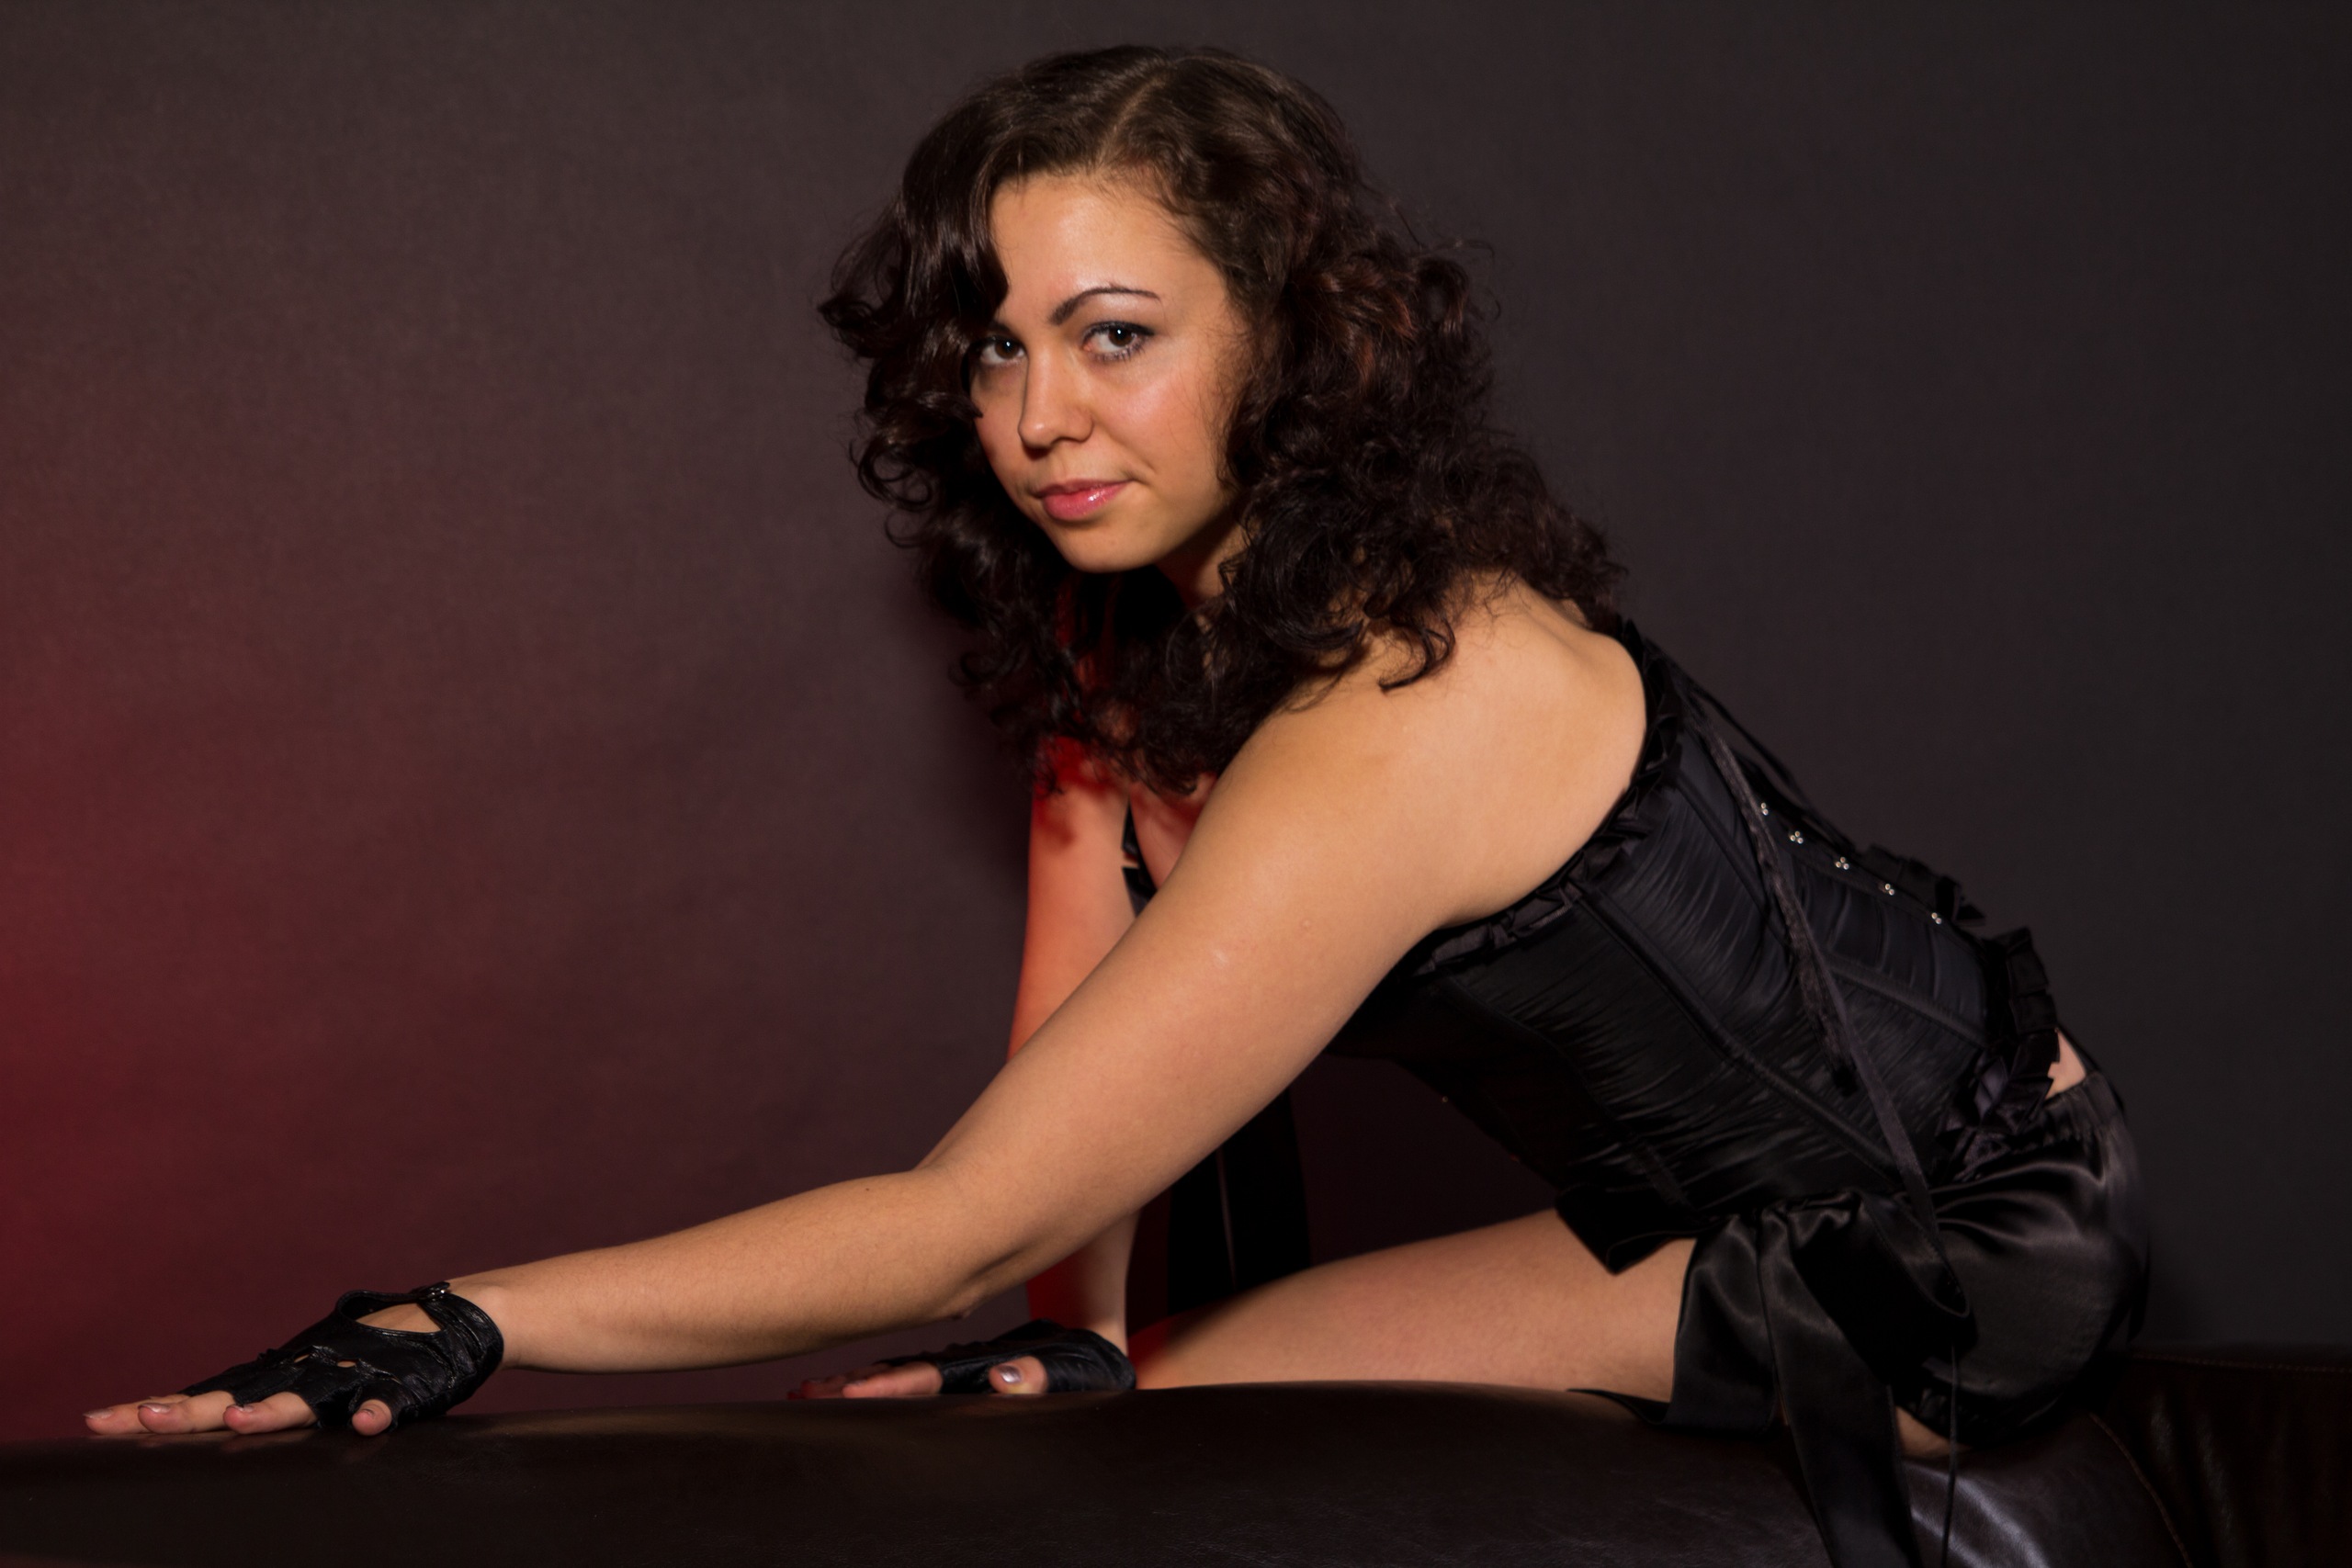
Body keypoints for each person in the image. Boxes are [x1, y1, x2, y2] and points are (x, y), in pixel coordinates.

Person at [83, 46, 2145, 1568]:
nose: (1039, 418)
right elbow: (1062, 1107)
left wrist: (462, 1315)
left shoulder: (1405, 702)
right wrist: (1068, 1342)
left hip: (1947, 1238)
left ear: (1293, 343)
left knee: (1185, 1381)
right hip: (1715, 1198)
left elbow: (959, 1223)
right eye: (997, 348)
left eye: (1115, 337)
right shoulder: (1131, 653)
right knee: (1117, 1385)